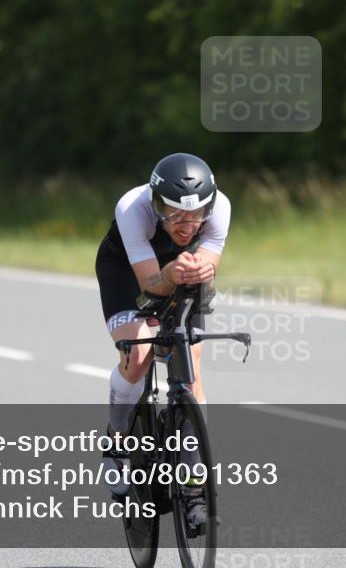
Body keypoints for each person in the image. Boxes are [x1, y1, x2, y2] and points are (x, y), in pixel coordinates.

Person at [94, 152, 231, 516]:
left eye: (196, 215)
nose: (187, 226)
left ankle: (192, 479)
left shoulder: (220, 207)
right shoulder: (132, 209)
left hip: (180, 274)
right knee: (138, 355)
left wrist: (200, 270)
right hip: (128, 272)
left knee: (192, 363)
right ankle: (116, 440)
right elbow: (150, 285)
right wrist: (171, 274)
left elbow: (209, 268)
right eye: (174, 215)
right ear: (157, 204)